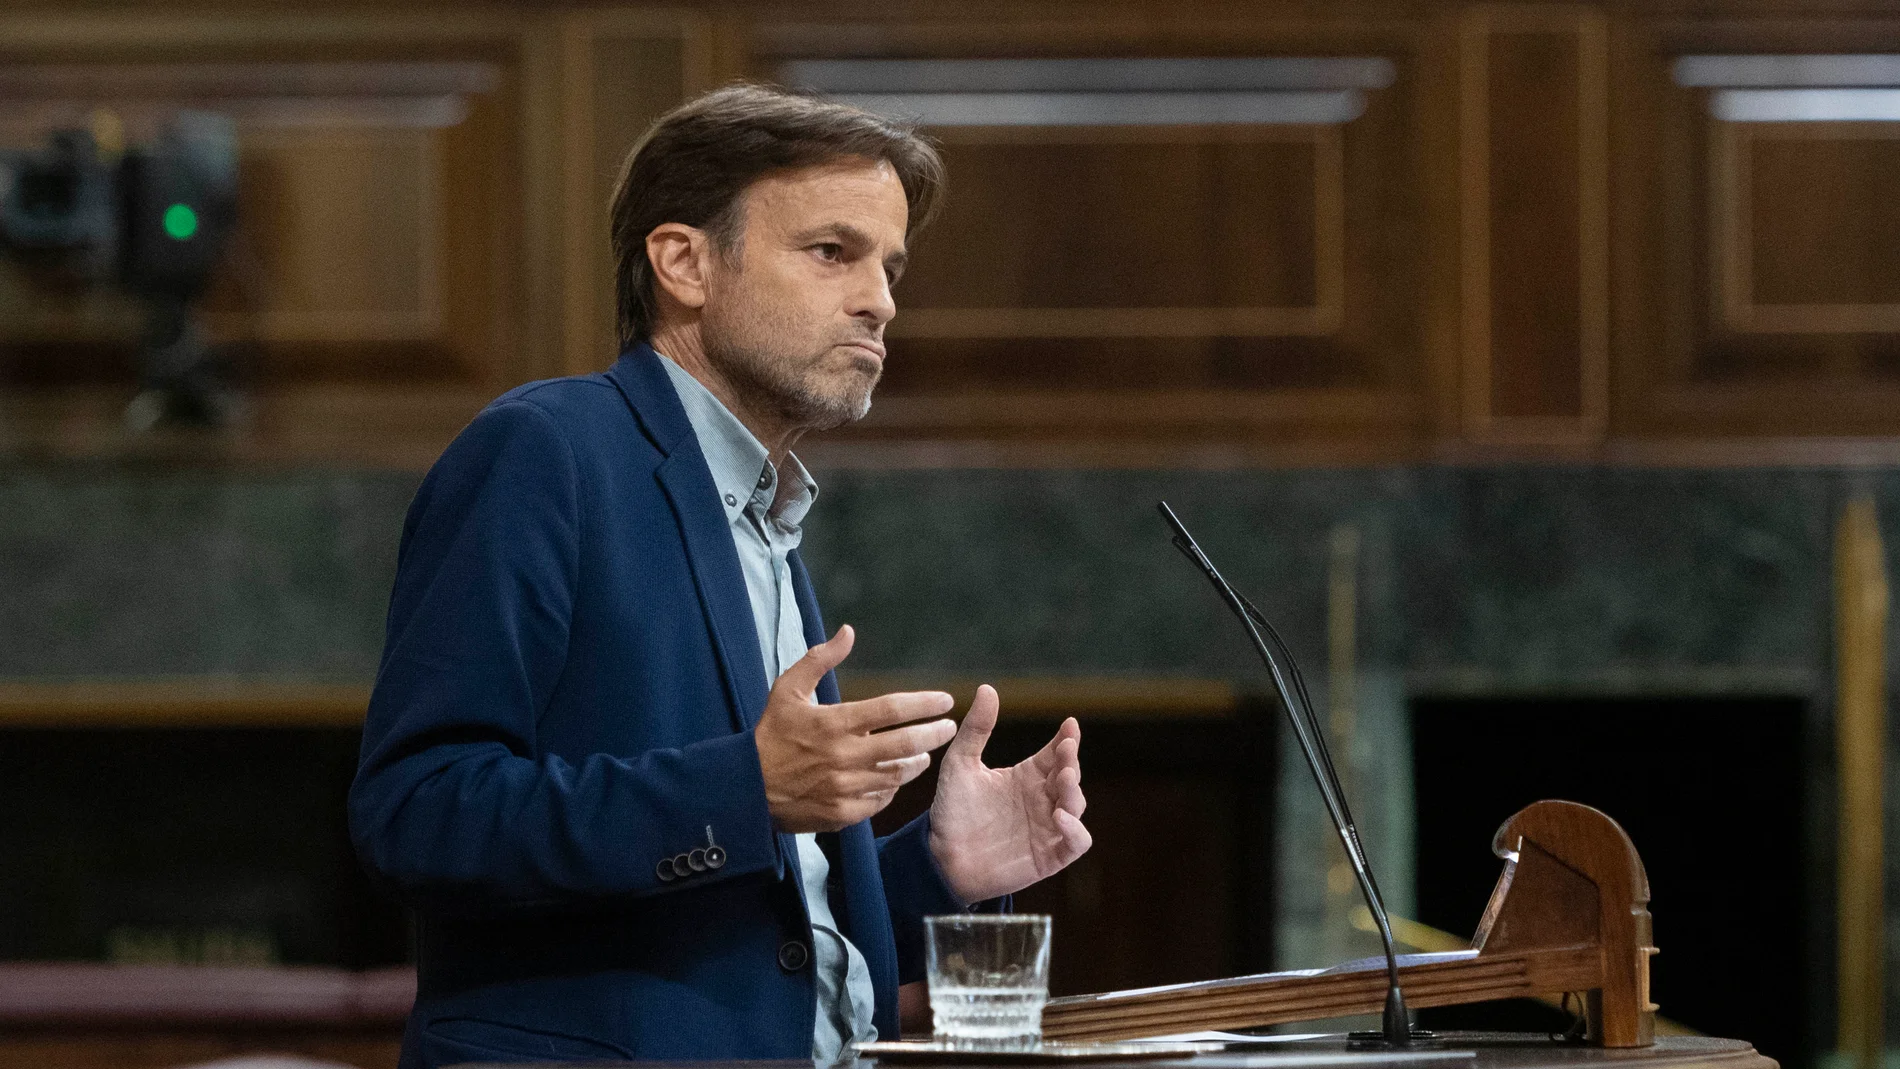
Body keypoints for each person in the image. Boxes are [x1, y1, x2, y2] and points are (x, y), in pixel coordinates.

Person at [348, 84, 1092, 1068]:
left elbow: (769, 932)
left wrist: (934, 869)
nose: (881, 299)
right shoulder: (546, 453)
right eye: (833, 252)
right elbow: (419, 814)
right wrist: (745, 786)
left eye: (890, 265)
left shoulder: (765, 510)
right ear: (685, 261)